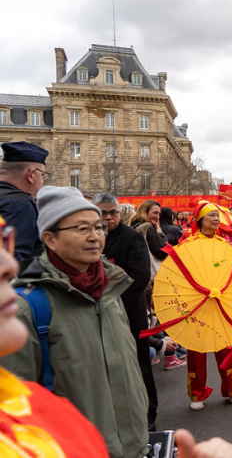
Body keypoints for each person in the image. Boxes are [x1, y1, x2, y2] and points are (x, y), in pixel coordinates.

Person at [0, 186, 148, 456]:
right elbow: (15, 414)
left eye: (98, 227)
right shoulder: (27, 309)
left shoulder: (111, 291)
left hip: (134, 445)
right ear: (50, 239)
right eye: (82, 229)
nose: (95, 237)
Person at [92, 192, 164, 432]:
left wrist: (114, 302)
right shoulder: (90, 237)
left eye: (113, 212)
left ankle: (148, 414)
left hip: (129, 312)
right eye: (103, 213)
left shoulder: (132, 237)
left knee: (139, 364)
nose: (108, 218)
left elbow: (141, 275)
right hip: (95, 315)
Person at [175, 202, 232, 411]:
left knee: (225, 345)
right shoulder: (188, 242)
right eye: (211, 216)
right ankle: (197, 393)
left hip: (220, 299)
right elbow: (180, 270)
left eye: (217, 216)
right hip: (197, 301)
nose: (216, 219)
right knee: (197, 348)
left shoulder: (224, 243)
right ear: (200, 220)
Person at [0, 141, 48, 263]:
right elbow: (14, 262)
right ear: (31, 175)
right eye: (42, 175)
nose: (42, 182)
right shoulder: (19, 205)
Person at [131, 199, 168, 277]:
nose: (158, 217)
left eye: (159, 214)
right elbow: (162, 252)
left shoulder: (133, 226)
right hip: (149, 274)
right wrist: (161, 234)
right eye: (155, 213)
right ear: (144, 212)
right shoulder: (149, 228)